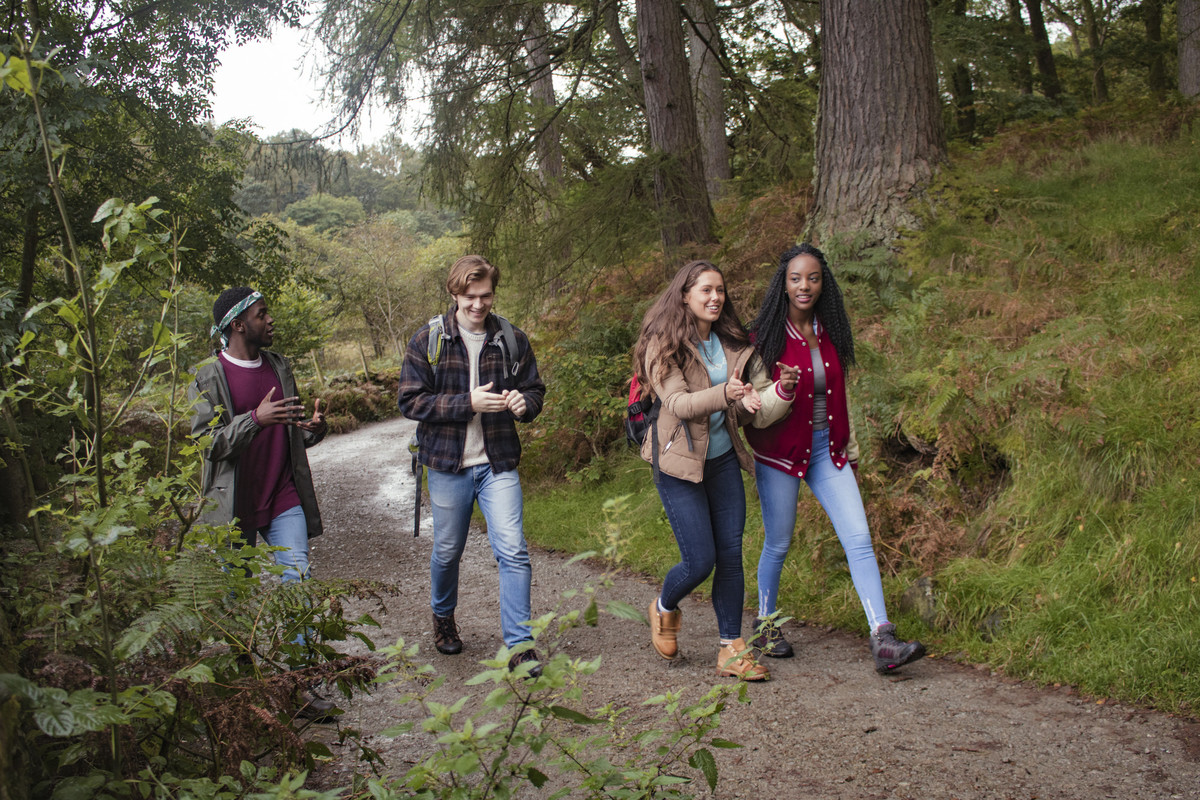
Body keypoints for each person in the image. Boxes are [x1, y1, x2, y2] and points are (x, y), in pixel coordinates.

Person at [744, 243, 926, 673]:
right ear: (783, 285)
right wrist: (782, 389)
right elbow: (756, 413)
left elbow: (840, 397)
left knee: (859, 539)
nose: (804, 285)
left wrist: (851, 449)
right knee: (778, 542)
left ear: (823, 283)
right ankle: (766, 624)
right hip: (779, 455)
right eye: (795, 278)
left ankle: (882, 637)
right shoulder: (763, 338)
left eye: (812, 278)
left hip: (829, 450)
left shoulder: (831, 331)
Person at [634, 260, 788, 681]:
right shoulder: (663, 345)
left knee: (731, 555)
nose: (715, 297)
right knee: (700, 560)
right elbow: (680, 405)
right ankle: (664, 607)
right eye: (705, 290)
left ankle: (730, 648)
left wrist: (747, 402)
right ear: (685, 295)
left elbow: (731, 402)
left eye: (720, 289)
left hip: (722, 461)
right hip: (678, 465)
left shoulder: (729, 342)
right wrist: (726, 393)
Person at [189, 286, 335, 718]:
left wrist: (312, 428)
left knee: (297, 586)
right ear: (238, 324)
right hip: (232, 507)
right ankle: (245, 690)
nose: (270, 320)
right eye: (262, 313)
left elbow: (289, 433)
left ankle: (302, 686)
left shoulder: (278, 365)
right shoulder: (208, 375)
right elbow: (205, 443)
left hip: (283, 495)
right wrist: (254, 419)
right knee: (236, 599)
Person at [398, 255, 546, 676]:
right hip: (448, 465)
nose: (478, 305)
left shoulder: (511, 339)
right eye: (469, 297)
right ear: (454, 293)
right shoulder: (428, 339)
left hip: (497, 462)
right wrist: (468, 403)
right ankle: (443, 617)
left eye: (485, 296)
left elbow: (534, 389)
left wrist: (524, 403)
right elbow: (410, 401)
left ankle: (520, 644)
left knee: (513, 551)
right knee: (448, 551)